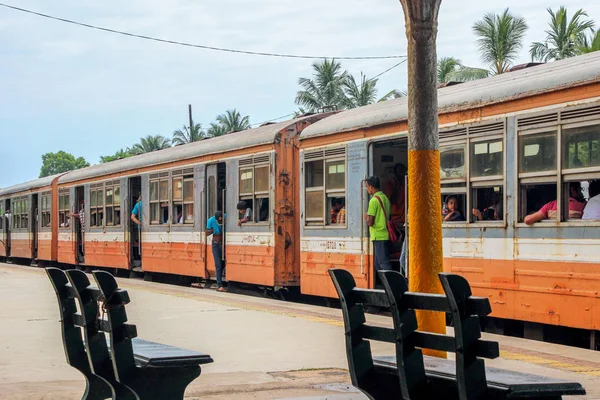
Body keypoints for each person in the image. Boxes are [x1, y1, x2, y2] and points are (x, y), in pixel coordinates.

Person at [364, 176, 392, 272]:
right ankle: (386, 285)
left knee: (383, 264)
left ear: (371, 187)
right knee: (378, 264)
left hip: (378, 235)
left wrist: (366, 217)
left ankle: (392, 286)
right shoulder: (385, 198)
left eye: (367, 187)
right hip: (385, 234)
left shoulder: (373, 201)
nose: (367, 189)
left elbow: (370, 222)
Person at [206, 211, 226, 292]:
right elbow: (206, 232)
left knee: (224, 263)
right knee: (218, 264)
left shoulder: (225, 216)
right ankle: (219, 285)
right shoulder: (210, 220)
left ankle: (222, 280)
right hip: (216, 243)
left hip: (224, 243)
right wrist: (212, 230)